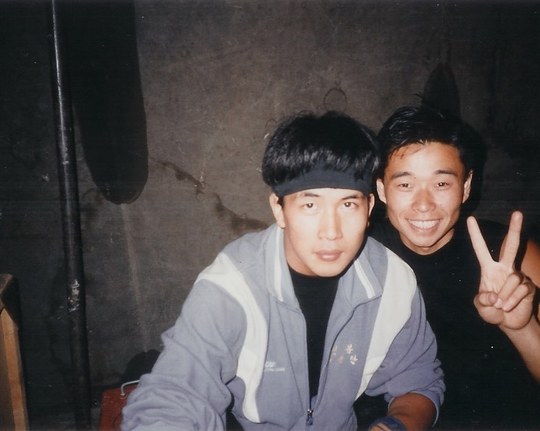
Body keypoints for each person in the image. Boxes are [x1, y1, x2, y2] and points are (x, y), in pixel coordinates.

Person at [121, 111, 445, 430]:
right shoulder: (232, 285)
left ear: (369, 207)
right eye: (310, 205)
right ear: (279, 208)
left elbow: (419, 382)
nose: (331, 231)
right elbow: (176, 394)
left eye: (348, 205)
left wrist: (394, 426)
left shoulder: (393, 281)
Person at [370, 104, 540, 429]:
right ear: (381, 189)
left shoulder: (511, 254)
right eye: (405, 185)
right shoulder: (362, 257)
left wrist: (521, 327)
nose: (423, 205)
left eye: (441, 184)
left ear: (465, 186)